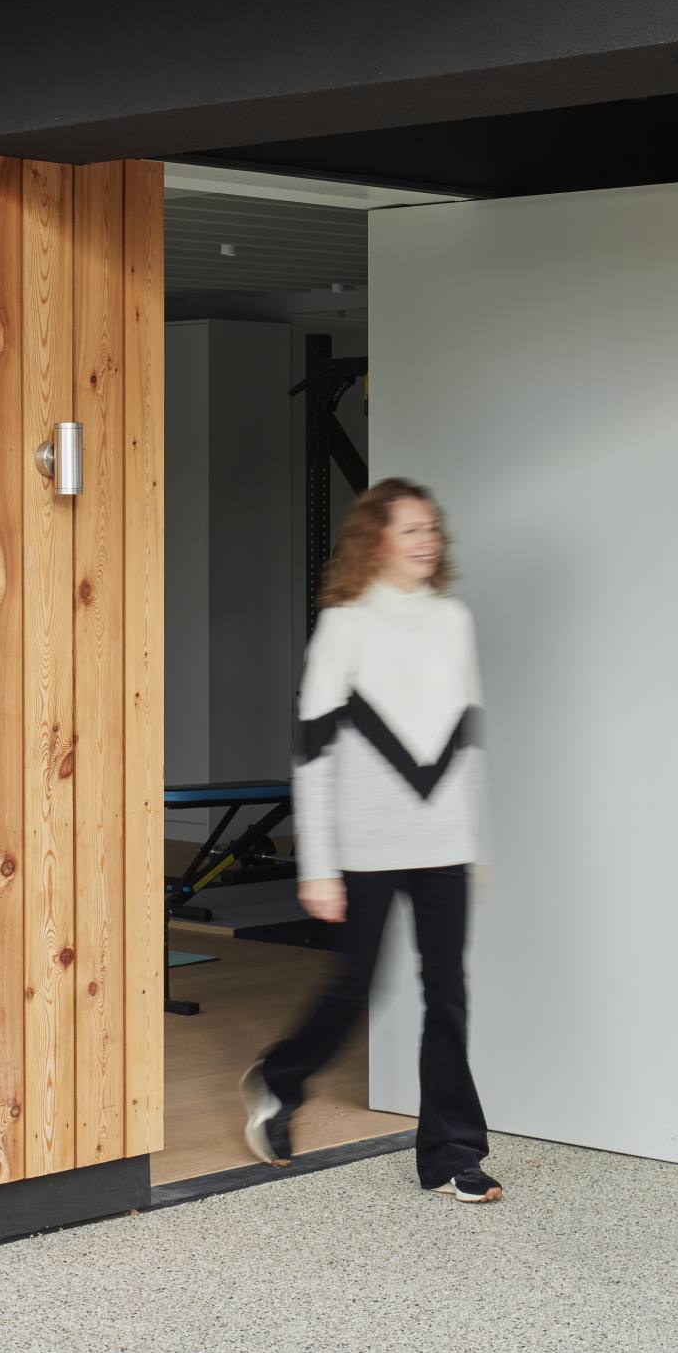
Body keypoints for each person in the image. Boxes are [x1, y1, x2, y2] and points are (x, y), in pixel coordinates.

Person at [241, 477, 501, 1203]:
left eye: (432, 528)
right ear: (373, 539)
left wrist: (473, 841)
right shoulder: (344, 624)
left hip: (443, 840)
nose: (428, 540)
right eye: (411, 528)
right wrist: (317, 864)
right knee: (358, 984)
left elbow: (467, 741)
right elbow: (315, 754)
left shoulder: (453, 619)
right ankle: (280, 1078)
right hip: (366, 844)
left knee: (447, 993)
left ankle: (453, 1152)